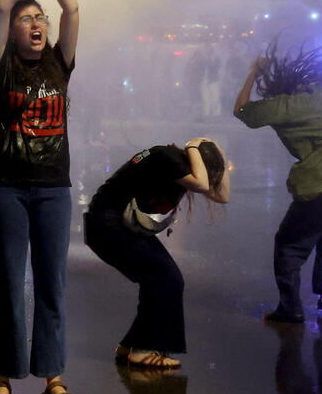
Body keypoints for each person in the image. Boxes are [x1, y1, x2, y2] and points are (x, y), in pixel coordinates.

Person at [0, 0, 80, 394]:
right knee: (6, 281)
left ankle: (53, 378)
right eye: (27, 19)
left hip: (53, 191)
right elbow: (2, 4)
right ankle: (2, 380)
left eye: (39, 17)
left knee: (51, 284)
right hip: (7, 188)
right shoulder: (0, 67)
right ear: (12, 33)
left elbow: (73, 9)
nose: (36, 23)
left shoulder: (60, 63)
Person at [234, 42, 322, 324]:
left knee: (288, 244)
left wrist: (252, 73)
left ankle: (290, 307)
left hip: (319, 183)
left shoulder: (281, 106)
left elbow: (242, 110)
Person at [85, 137, 230, 369]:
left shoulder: (180, 168)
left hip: (119, 225)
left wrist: (220, 157)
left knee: (164, 279)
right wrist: (194, 146)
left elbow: (222, 196)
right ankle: (143, 350)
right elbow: (203, 185)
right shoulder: (167, 158)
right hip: (106, 224)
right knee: (165, 278)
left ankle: (131, 345)